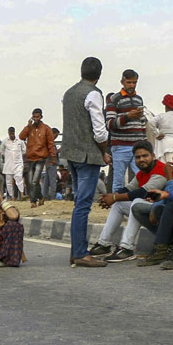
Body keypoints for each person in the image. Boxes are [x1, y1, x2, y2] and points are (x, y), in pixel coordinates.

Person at [61, 57, 112, 267]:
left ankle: (77, 251)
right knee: (83, 205)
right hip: (87, 156)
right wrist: (104, 152)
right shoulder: (94, 94)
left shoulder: (69, 93)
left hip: (70, 154)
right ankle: (81, 253)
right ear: (99, 75)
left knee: (78, 204)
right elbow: (100, 131)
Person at [89, 141, 167, 262]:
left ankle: (127, 248)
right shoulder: (142, 173)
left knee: (136, 202)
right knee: (119, 204)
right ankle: (104, 244)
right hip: (148, 208)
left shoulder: (161, 169)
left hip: (163, 212)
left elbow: (144, 192)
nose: (141, 159)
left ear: (153, 156)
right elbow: (129, 188)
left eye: (145, 156)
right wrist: (110, 197)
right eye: (138, 157)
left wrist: (114, 198)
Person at [105, 70, 147, 192]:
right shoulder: (114, 99)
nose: (132, 85)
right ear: (122, 82)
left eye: (134, 82)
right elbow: (110, 124)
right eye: (129, 82)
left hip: (137, 147)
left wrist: (145, 143)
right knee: (118, 181)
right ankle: (116, 207)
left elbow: (142, 122)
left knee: (142, 178)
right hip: (120, 146)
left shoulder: (139, 99)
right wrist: (128, 116)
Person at [19, 109, 57, 206]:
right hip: (30, 157)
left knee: (35, 180)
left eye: (37, 117)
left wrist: (53, 157)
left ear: (41, 117)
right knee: (30, 181)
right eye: (34, 117)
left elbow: (51, 144)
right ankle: (40, 197)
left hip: (41, 158)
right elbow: (21, 137)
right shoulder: (29, 128)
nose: (36, 119)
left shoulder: (46, 128)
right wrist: (28, 126)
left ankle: (33, 201)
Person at [0, 127, 25, 200]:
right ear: (8, 133)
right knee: (8, 182)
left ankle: (22, 195)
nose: (11, 135)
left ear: (14, 132)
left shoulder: (20, 140)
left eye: (12, 133)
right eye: (10, 133)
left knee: (19, 178)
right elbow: (2, 151)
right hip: (8, 164)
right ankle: (11, 197)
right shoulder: (5, 141)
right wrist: (9, 155)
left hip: (18, 164)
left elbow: (24, 150)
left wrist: (17, 156)